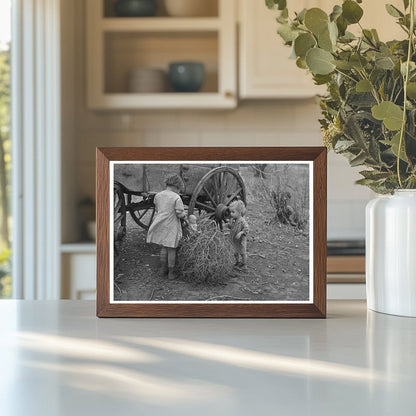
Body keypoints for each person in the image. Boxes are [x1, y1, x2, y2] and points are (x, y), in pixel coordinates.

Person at [147, 173, 186, 280]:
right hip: (171, 227)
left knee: (163, 247)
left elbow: (158, 210)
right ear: (176, 186)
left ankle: (162, 269)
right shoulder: (176, 198)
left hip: (161, 225)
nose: (179, 191)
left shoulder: (158, 196)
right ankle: (171, 272)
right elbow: (179, 213)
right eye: (179, 189)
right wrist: (184, 215)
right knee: (172, 249)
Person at [227, 200, 249, 269]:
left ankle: (244, 264)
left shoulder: (242, 221)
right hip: (234, 239)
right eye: (231, 212)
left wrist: (241, 232)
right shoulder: (234, 219)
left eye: (233, 212)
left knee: (242, 252)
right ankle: (237, 262)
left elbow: (246, 228)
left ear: (239, 213)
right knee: (235, 252)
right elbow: (231, 227)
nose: (231, 214)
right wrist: (229, 224)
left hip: (240, 240)